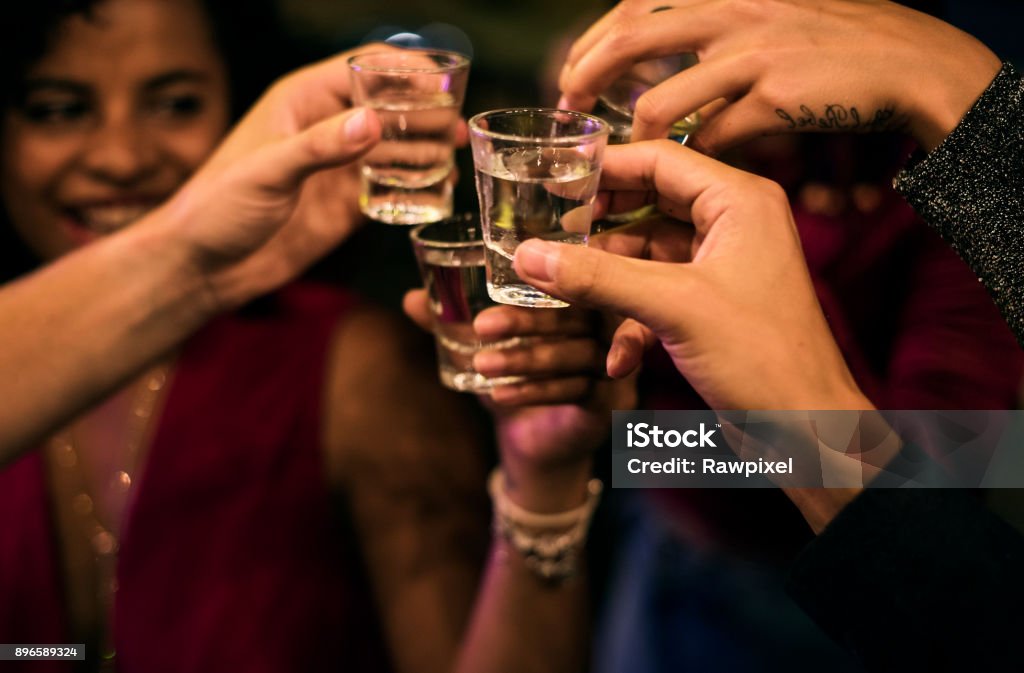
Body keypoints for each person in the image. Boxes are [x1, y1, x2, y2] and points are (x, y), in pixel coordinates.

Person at [0, 2, 625, 671]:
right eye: (60, 110)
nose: (120, 158)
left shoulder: (352, 370)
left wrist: (545, 485)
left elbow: (744, 453)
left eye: (176, 104)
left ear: (238, 108)